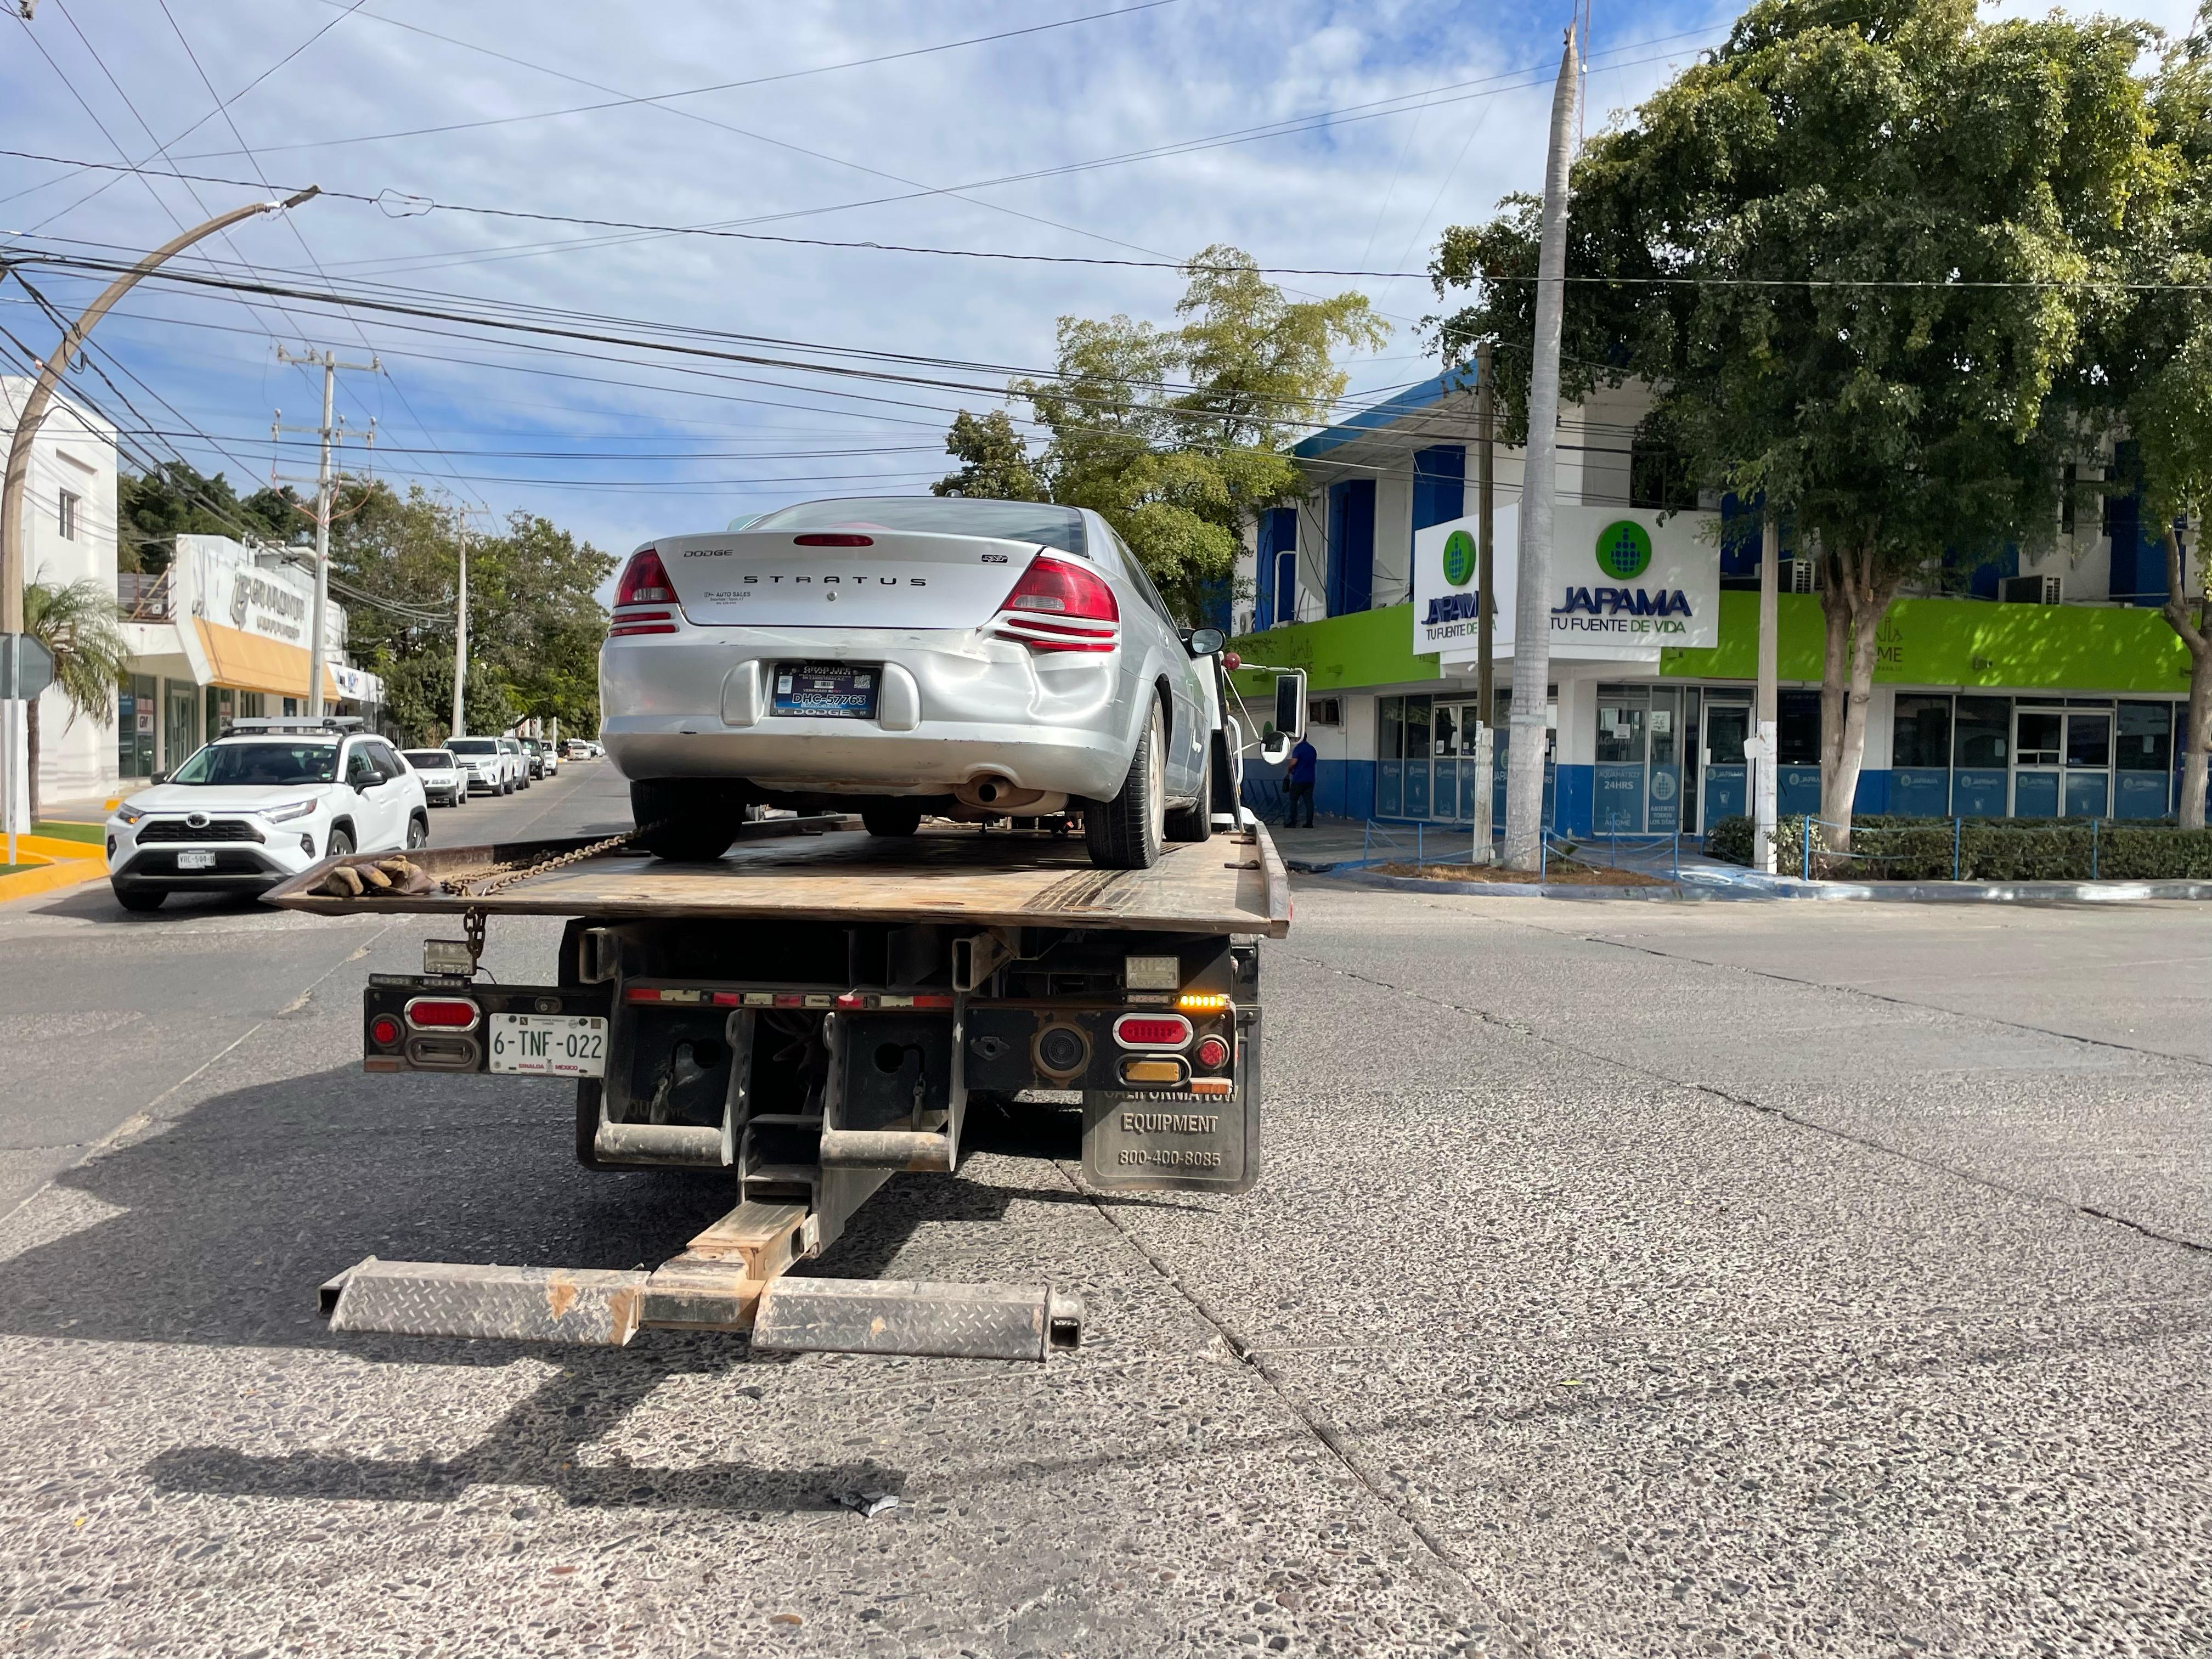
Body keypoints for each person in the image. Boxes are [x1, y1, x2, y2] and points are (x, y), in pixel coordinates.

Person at [1284, 734, 1318, 828]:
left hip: (1299, 779)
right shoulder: (1312, 749)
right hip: (1310, 779)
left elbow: (1293, 762)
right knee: (1309, 801)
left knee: (1293, 800)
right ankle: (1309, 823)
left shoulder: (1298, 749)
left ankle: (1293, 822)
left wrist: (1288, 771)